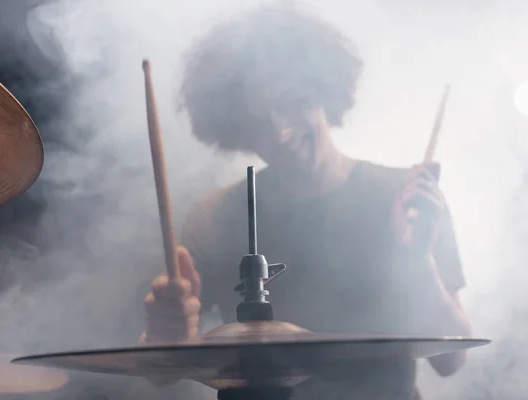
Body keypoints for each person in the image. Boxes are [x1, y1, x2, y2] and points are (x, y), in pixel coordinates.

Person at [141, 2, 472, 399]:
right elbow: (159, 372)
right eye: (257, 119)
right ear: (235, 129)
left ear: (322, 89)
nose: (280, 132)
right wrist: (165, 332)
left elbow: (450, 360)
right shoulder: (215, 216)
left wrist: (419, 261)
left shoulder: (407, 199)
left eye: (289, 102)